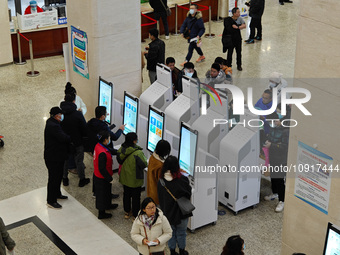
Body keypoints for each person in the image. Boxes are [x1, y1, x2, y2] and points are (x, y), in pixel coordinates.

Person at [87, 106, 125, 198]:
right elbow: (115, 137)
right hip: (104, 150)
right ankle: (106, 194)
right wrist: (120, 129)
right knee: (105, 171)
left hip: (95, 148)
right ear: (103, 116)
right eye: (106, 113)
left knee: (96, 170)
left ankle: (95, 192)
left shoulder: (91, 122)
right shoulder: (103, 127)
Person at [157, 156, 192, 255]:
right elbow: (188, 194)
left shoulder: (161, 181)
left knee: (170, 233)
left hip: (168, 214)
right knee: (181, 232)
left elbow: (160, 198)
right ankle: (182, 251)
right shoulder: (183, 179)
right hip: (182, 212)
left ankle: (172, 251)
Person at [60, 93, 90, 188]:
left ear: (64, 100)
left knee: (65, 160)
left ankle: (65, 179)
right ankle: (82, 180)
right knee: (79, 161)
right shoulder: (77, 114)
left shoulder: (60, 113)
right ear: (74, 101)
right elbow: (84, 128)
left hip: (65, 141)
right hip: (77, 142)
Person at [44, 107, 70, 209]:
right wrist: (70, 138)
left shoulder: (52, 122)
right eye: (60, 114)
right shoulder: (53, 126)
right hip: (53, 158)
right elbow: (63, 138)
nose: (62, 116)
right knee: (53, 179)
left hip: (57, 156)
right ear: (56, 115)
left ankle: (57, 193)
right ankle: (51, 200)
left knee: (58, 176)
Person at [117, 132, 148, 219]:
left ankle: (127, 212)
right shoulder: (138, 153)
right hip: (135, 179)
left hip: (125, 177)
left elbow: (119, 160)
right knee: (136, 198)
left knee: (126, 195)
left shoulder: (122, 149)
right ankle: (135, 214)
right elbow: (144, 164)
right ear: (134, 141)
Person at [263, 112, 289, 213]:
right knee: (273, 176)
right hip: (273, 156)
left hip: (281, 159)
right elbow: (270, 138)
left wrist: (272, 145)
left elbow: (285, 146)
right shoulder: (273, 128)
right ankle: (275, 193)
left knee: (279, 179)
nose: (272, 123)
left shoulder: (285, 131)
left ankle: (282, 200)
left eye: (274, 121)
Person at [93, 130, 119, 219]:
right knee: (101, 195)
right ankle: (101, 213)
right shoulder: (102, 153)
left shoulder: (99, 145)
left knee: (107, 192)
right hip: (101, 177)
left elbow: (110, 150)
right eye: (109, 138)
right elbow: (102, 169)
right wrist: (109, 178)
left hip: (104, 175)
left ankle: (108, 205)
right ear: (105, 140)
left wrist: (118, 152)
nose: (110, 139)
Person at [147, 140, 171, 205]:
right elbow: (162, 182)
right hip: (157, 195)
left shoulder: (152, 157)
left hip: (151, 191)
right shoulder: (160, 166)